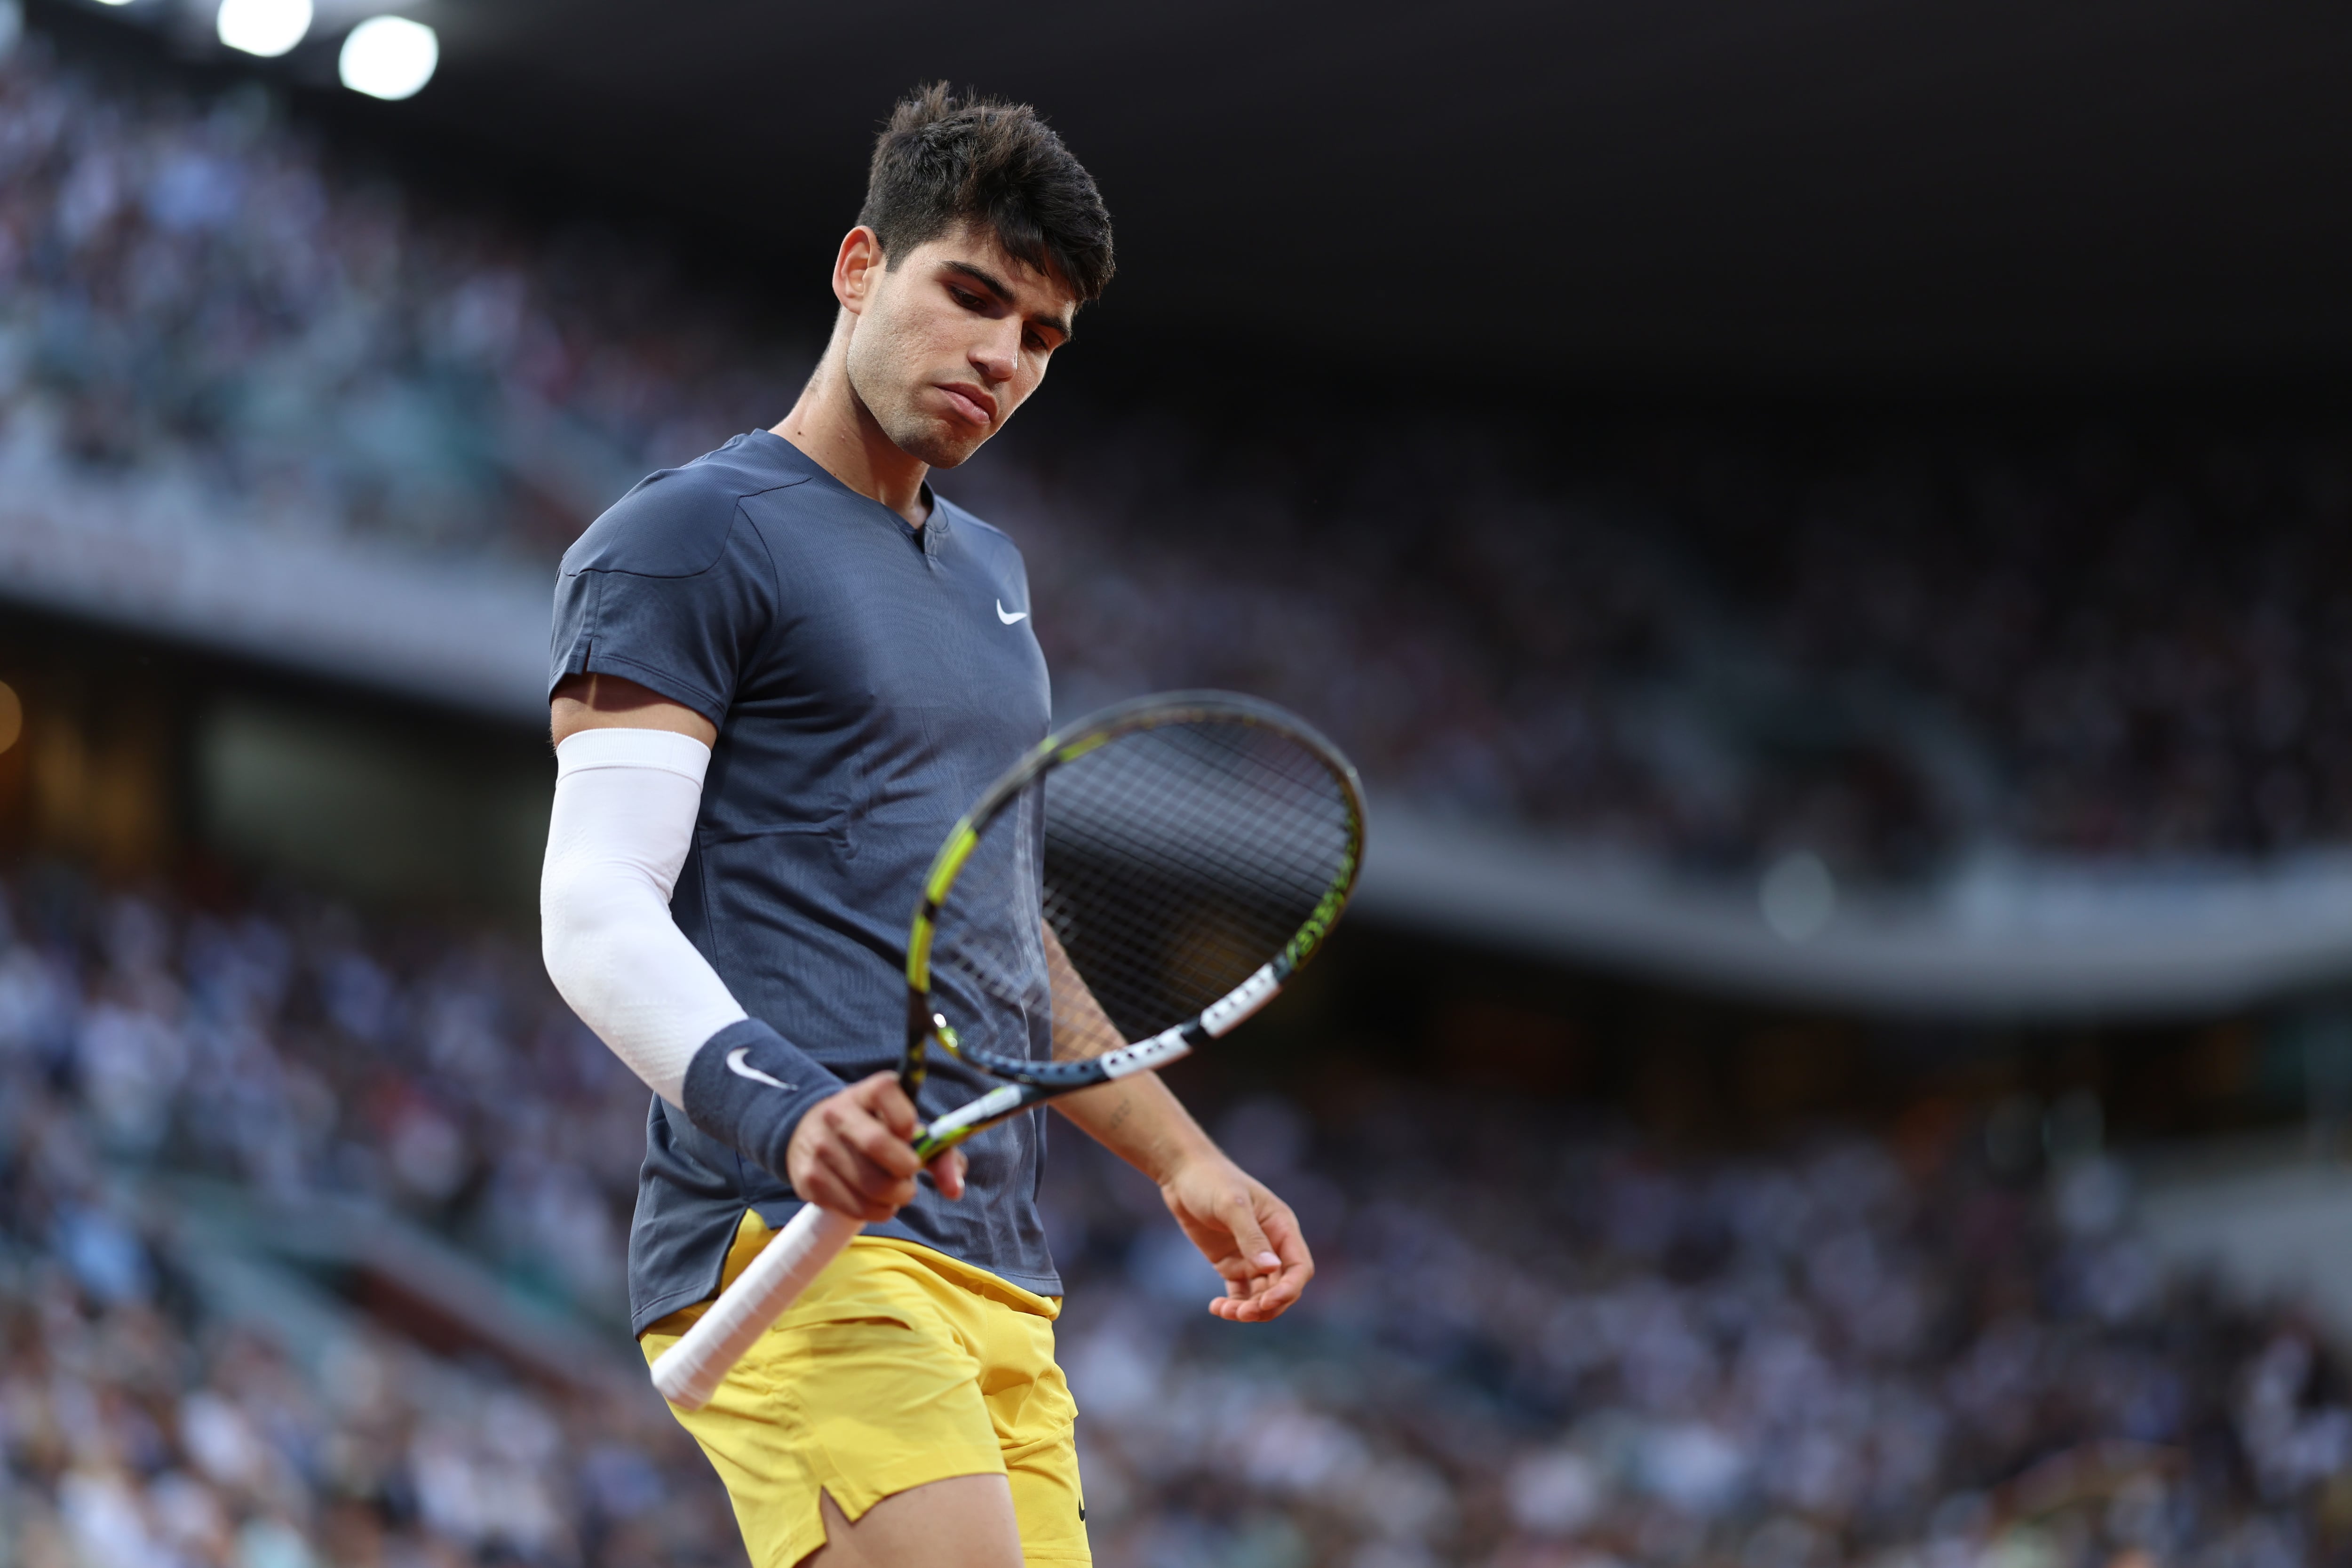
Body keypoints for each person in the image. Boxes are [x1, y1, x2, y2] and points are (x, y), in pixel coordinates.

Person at [537, 84, 1313, 1568]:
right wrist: (784, 1110)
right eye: (973, 296)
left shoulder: (994, 579)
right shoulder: (687, 538)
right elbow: (594, 908)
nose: (1003, 359)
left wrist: (1182, 1161)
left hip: (996, 1270)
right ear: (856, 266)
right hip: (792, 1235)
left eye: (1041, 338)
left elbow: (1002, 931)